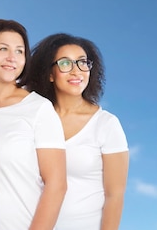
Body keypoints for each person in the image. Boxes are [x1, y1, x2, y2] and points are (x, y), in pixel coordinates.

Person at [25, 33, 129, 230]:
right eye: (65, 63)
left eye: (82, 63)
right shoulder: (34, 117)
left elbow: (115, 196)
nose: (76, 72)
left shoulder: (106, 124)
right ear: (49, 74)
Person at [0, 19, 67, 230]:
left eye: (19, 51)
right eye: (3, 49)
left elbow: (57, 185)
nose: (11, 58)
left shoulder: (38, 109)